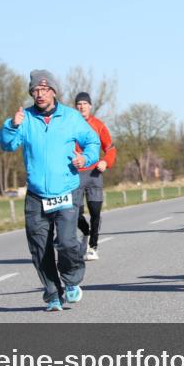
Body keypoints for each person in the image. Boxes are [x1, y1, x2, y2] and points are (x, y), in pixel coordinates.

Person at [0, 70, 100, 311]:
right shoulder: (26, 119)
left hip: (66, 189)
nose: (39, 94)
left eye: (44, 90)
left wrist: (84, 158)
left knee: (66, 242)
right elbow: (7, 144)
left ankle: (72, 279)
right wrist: (12, 126)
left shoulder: (71, 117)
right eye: (35, 91)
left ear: (53, 91)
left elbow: (92, 142)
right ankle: (53, 293)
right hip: (35, 194)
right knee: (39, 247)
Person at [73, 92, 116, 260]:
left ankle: (93, 247)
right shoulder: (69, 125)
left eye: (84, 103)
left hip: (94, 173)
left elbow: (110, 148)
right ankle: (86, 232)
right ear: (75, 107)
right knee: (74, 212)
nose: (82, 106)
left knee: (95, 211)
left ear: (90, 106)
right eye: (79, 104)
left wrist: (106, 162)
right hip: (74, 174)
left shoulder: (98, 125)